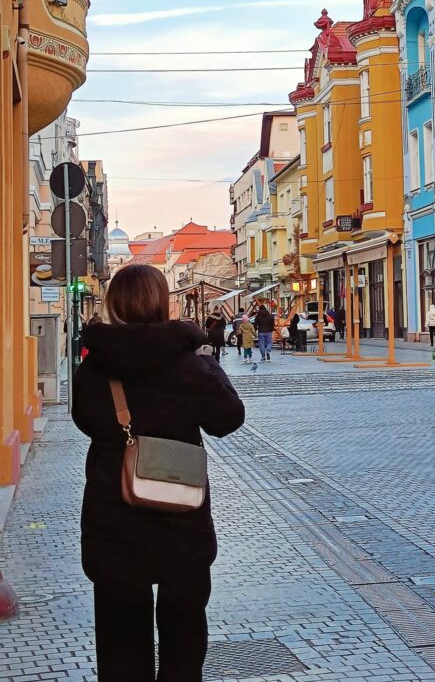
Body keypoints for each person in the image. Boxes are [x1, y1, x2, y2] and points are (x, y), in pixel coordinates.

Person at [72, 264, 245, 682]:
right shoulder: (189, 364)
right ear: (161, 302)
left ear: (113, 304)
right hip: (181, 521)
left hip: (114, 521)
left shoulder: (95, 367)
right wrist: (210, 367)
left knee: (120, 644)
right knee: (184, 640)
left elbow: (86, 421)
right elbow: (228, 419)